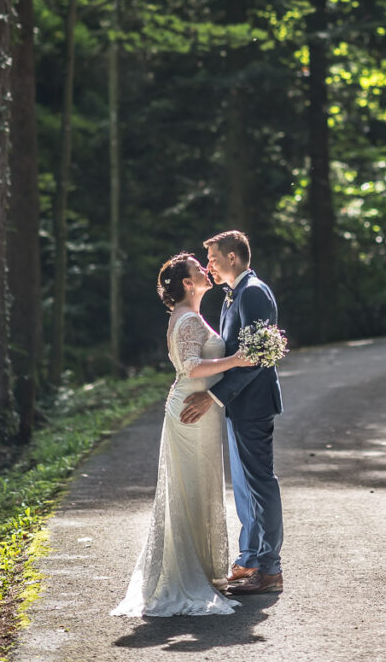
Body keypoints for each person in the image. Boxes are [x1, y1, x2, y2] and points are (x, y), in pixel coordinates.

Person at [111, 252, 252, 617]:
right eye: (197, 268)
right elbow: (190, 366)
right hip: (191, 410)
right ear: (188, 283)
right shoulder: (188, 318)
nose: (205, 270)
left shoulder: (191, 315)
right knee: (191, 488)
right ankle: (189, 576)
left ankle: (203, 571)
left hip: (196, 407)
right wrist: (236, 360)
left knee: (199, 487)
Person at [180, 230, 284, 595]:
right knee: (243, 487)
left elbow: (257, 356)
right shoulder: (233, 295)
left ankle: (270, 571)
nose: (209, 265)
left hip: (252, 404)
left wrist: (214, 397)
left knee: (260, 484)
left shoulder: (253, 292)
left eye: (213, 258)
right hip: (239, 405)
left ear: (234, 258)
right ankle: (251, 559)